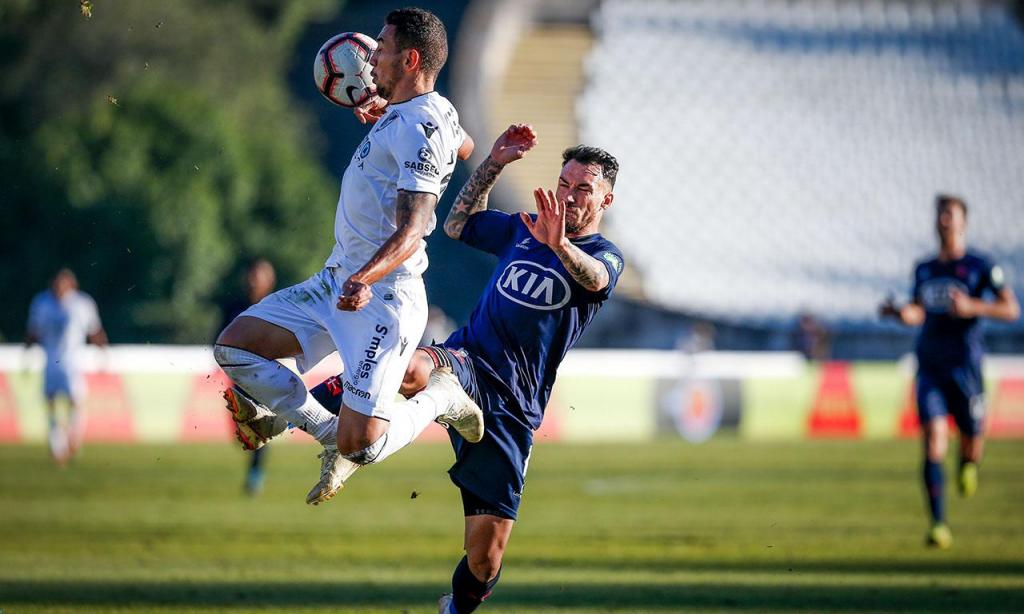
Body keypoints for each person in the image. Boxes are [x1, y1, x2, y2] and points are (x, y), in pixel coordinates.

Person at [232, 125, 624, 613]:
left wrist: (561, 245)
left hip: (513, 408)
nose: (568, 195)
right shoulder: (524, 227)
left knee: (485, 559)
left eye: (583, 188)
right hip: (466, 360)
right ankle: (280, 418)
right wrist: (494, 163)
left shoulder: (604, 256)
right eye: (564, 183)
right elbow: (459, 224)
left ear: (604, 200)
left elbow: (598, 278)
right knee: (409, 368)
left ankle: (455, 609)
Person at [215, 7, 482, 500]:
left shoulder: (419, 125)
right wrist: (392, 110)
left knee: (361, 445)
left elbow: (416, 226)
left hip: (381, 296)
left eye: (382, 46)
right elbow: (463, 146)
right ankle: (324, 434)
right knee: (234, 348)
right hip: (335, 281)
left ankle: (440, 397)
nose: (371, 56)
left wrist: (365, 278)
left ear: (411, 58)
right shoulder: (428, 113)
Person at [880, 194, 1019, 549]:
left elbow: (1011, 310)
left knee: (972, 443)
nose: (944, 221)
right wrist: (898, 314)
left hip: (966, 368)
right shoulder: (924, 268)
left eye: (950, 216)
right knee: (933, 440)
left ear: (963, 223)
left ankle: (968, 465)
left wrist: (973, 305)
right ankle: (938, 523)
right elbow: (917, 312)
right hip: (930, 366)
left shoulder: (981, 266)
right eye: (940, 215)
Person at [25, 268, 108, 465]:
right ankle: (57, 446)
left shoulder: (82, 303)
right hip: (50, 362)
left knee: (76, 402)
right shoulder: (41, 302)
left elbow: (94, 331)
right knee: (52, 403)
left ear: (72, 285)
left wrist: (103, 353)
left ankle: (73, 438)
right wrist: (26, 354)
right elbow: (33, 332)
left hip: (73, 362)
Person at [218, 259, 277, 495]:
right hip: (239, 377)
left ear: (269, 280)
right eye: (252, 275)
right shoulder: (234, 308)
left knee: (259, 427)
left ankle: (255, 474)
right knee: (241, 431)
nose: (254, 280)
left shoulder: (279, 305)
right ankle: (254, 467)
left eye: (259, 275)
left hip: (267, 378)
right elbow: (219, 339)